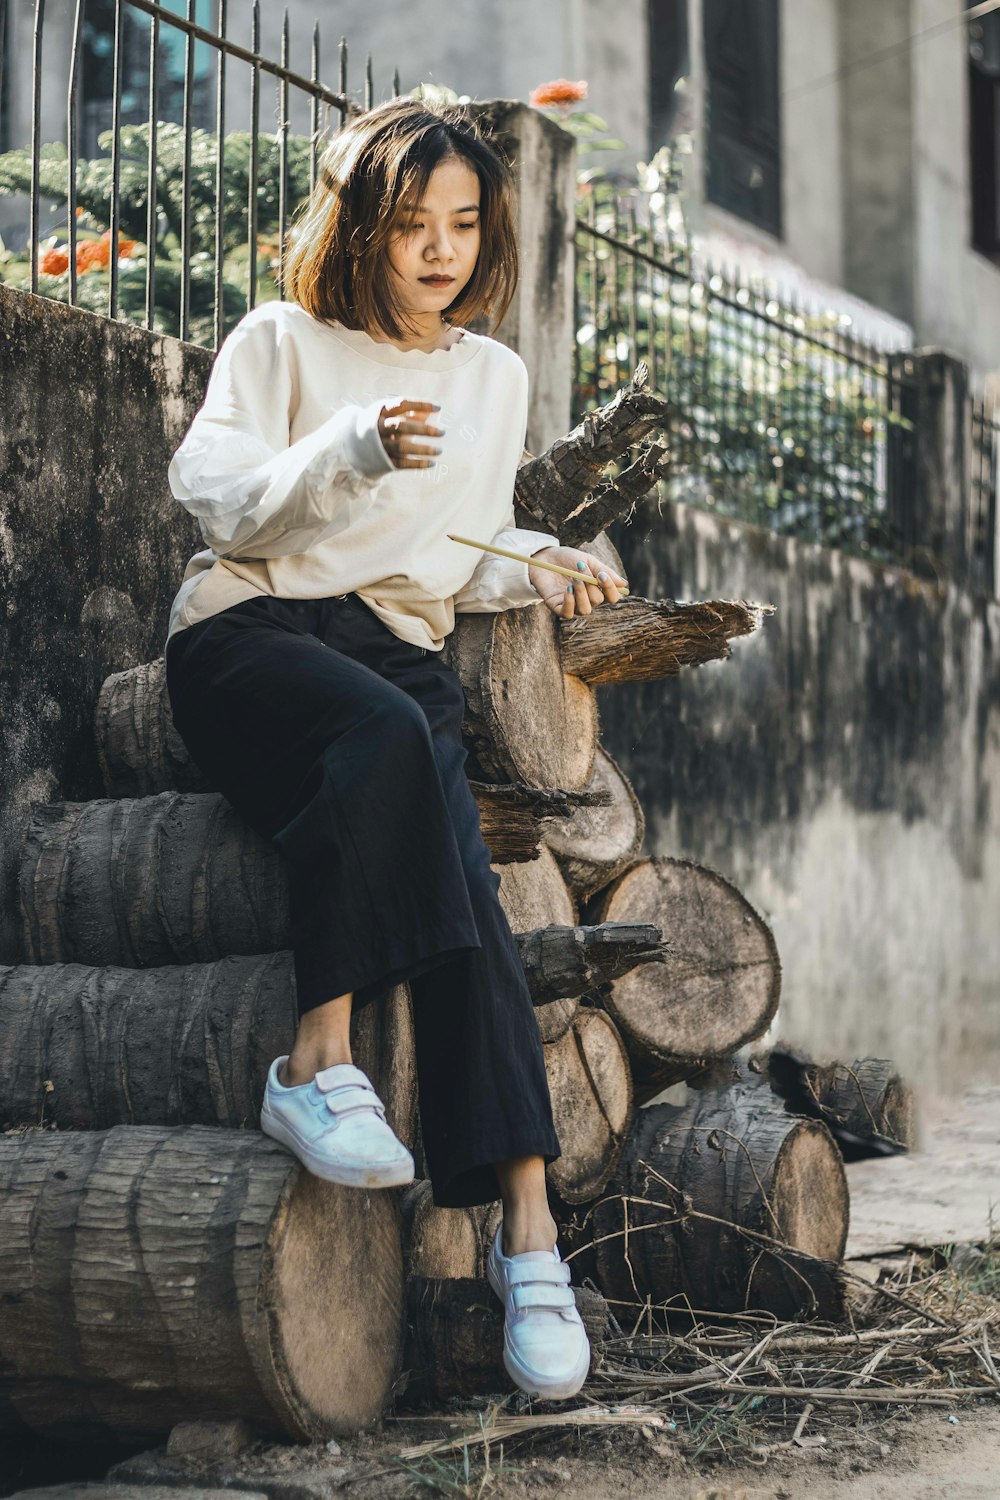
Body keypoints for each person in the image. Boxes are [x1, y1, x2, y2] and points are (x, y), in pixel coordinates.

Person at [163, 96, 626, 1403]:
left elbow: (456, 549)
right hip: (252, 630)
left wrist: (543, 565)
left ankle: (529, 1241)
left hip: (398, 649)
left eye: (465, 224)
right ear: (360, 223)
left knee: (470, 904)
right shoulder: (281, 341)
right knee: (377, 736)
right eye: (413, 221)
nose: (441, 249)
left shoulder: (492, 378)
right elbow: (214, 494)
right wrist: (347, 449)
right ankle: (315, 1067)